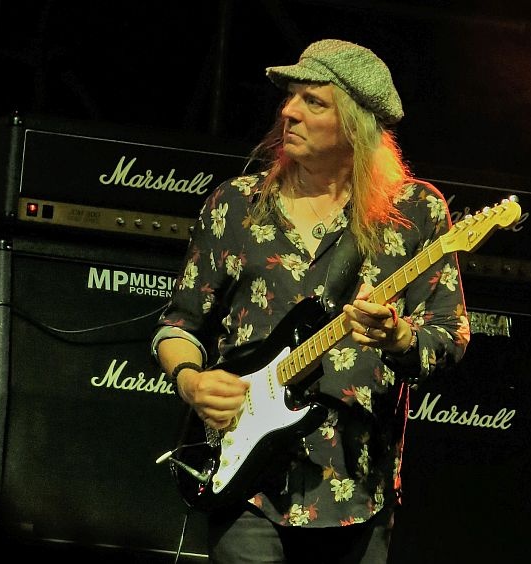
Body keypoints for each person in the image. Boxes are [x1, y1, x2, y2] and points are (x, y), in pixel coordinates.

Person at [152, 38, 470, 563]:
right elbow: (179, 326)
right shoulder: (236, 204)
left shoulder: (415, 212)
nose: (288, 111)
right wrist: (192, 382)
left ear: (356, 126)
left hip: (356, 487)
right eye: (291, 97)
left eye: (313, 101)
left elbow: (449, 334)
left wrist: (397, 336)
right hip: (246, 482)